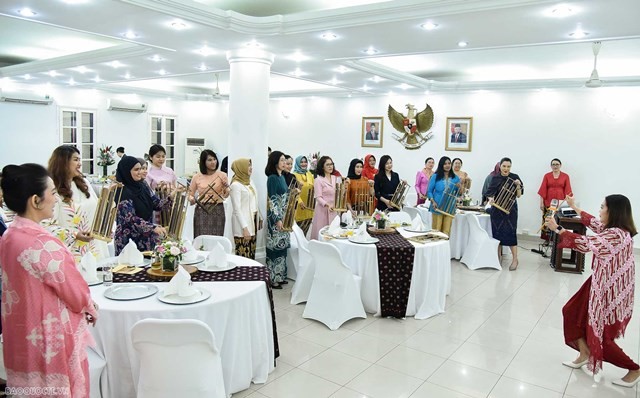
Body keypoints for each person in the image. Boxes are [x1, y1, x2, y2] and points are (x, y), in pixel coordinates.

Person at [0, 163, 98, 397]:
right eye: (52, 193)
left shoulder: (9, 237)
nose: (56, 199)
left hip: (21, 333)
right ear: (35, 200)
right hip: (49, 337)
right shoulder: (43, 245)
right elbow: (76, 293)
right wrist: (90, 306)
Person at [545, 194, 638, 387]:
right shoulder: (613, 229)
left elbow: (587, 245)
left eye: (603, 206)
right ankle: (585, 353)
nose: (600, 209)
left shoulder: (616, 234)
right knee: (570, 311)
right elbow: (593, 223)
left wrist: (558, 229)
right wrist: (574, 207)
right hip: (599, 282)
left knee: (601, 336)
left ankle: (634, 368)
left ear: (613, 211)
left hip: (609, 292)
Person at [44, 145, 109, 260]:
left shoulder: (83, 183)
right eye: (75, 160)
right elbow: (47, 225)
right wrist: (74, 234)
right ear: (62, 162)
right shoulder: (53, 188)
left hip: (94, 247)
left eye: (80, 160)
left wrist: (105, 230)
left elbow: (97, 210)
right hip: (71, 251)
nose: (79, 163)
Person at [114, 156, 171, 254]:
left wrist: (172, 196)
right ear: (126, 171)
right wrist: (153, 228)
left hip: (146, 239)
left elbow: (157, 204)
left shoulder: (142, 185)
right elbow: (130, 219)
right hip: (128, 242)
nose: (140, 172)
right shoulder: (122, 191)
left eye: (141, 168)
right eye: (136, 169)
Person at [486, 157, 523, 270]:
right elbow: (490, 193)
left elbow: (519, 195)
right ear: (500, 166)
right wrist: (491, 199)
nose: (506, 168)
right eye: (504, 166)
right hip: (497, 210)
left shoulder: (515, 177)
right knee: (497, 234)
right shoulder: (495, 178)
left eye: (508, 166)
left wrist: (517, 185)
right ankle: (498, 258)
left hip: (510, 210)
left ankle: (515, 259)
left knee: (511, 233)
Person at [188, 150, 229, 237]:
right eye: (209, 160)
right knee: (202, 238)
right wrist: (191, 199)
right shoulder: (197, 177)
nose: (213, 162)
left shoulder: (222, 175)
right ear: (203, 162)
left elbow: (226, 195)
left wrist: (227, 189)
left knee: (217, 237)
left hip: (218, 209)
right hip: (202, 209)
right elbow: (190, 194)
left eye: (214, 159)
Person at [265, 151, 290, 289]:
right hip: (275, 218)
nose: (284, 162)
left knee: (282, 246)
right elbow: (272, 199)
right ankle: (272, 278)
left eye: (285, 160)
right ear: (275, 162)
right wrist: (277, 219)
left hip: (284, 216)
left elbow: (284, 195)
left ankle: (280, 276)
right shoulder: (272, 178)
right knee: (274, 247)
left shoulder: (282, 177)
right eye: (282, 160)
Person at [229, 158, 259, 259]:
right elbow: (237, 209)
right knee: (243, 255)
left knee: (251, 252)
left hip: (252, 221)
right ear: (240, 168)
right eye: (248, 165)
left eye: (251, 165)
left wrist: (259, 217)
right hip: (242, 224)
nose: (250, 168)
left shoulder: (249, 182)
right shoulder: (235, 185)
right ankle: (243, 275)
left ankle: (251, 274)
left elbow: (254, 200)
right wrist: (245, 228)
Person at [538, 158, 572, 240]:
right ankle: (547, 240)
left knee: (558, 222)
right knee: (548, 222)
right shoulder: (547, 176)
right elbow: (543, 189)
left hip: (560, 203)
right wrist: (541, 203)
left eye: (557, 164)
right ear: (551, 166)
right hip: (548, 203)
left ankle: (558, 240)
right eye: (553, 164)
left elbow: (568, 191)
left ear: (560, 165)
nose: (555, 166)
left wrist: (568, 204)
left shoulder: (565, 176)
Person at [427, 156, 461, 236]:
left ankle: (444, 248)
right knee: (436, 231)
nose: (447, 165)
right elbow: (429, 191)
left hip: (449, 207)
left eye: (449, 163)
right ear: (441, 165)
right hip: (437, 206)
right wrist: (433, 201)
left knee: (446, 232)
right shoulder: (435, 176)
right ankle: (435, 248)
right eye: (445, 164)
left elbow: (459, 193)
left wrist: (460, 187)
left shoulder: (455, 178)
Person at [310, 156, 341, 239]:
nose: (330, 166)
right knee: (322, 234)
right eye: (327, 165)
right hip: (322, 210)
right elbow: (318, 197)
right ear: (322, 167)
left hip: (333, 209)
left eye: (331, 164)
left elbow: (339, 193)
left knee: (333, 234)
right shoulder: (318, 180)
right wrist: (327, 204)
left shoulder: (336, 178)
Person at [292, 155, 314, 235]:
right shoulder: (294, 175)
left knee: (305, 233)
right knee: (298, 234)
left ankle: (302, 247)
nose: (304, 164)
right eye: (301, 162)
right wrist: (300, 201)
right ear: (297, 163)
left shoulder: (309, 174)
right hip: (299, 207)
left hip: (309, 208)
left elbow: (313, 188)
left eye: (305, 162)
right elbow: (293, 191)